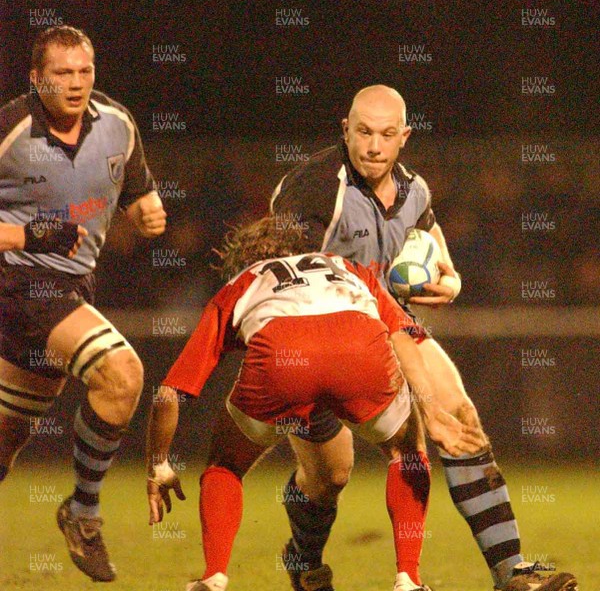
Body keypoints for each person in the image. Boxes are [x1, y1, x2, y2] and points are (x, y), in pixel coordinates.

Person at [173, 86, 575, 591]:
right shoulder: (313, 190)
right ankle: (303, 561)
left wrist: (442, 284)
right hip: (319, 341)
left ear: (405, 136)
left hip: (393, 329)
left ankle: (512, 572)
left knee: (459, 417)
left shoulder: (415, 191)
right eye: (363, 132)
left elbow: (448, 273)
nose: (374, 146)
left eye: (388, 135)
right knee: (328, 478)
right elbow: (282, 283)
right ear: (345, 128)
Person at [146, 217, 482, 591]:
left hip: (281, 361)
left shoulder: (242, 282)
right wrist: (431, 413)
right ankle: (408, 580)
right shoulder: (344, 266)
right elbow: (402, 337)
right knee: (406, 452)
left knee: (225, 465)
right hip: (359, 349)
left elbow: (168, 393)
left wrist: (159, 463)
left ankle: (214, 577)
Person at [0, 26, 166, 583]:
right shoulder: (11, 129)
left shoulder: (117, 124)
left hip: (71, 287)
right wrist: (27, 237)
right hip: (16, 284)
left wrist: (147, 211)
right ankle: (84, 513)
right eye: (62, 73)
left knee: (6, 439)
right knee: (121, 374)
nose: (75, 84)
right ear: (35, 78)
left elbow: (139, 191)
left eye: (84, 71)